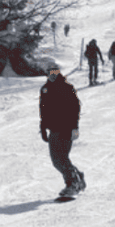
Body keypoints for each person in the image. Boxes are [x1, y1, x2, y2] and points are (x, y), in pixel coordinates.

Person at [39, 61, 86, 199]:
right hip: (53, 129)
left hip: (66, 128)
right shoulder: (45, 89)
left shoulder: (66, 87)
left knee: (62, 158)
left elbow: (75, 108)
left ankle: (72, 184)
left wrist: (74, 128)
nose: (52, 75)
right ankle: (77, 176)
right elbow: (43, 109)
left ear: (59, 72)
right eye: (50, 72)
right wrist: (43, 127)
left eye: (55, 72)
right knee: (56, 160)